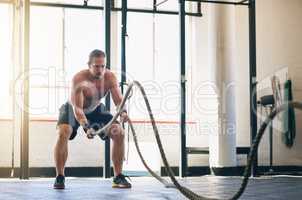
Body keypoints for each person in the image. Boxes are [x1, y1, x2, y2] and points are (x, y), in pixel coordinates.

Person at [53, 49, 131, 189]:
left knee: (118, 132)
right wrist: (86, 126)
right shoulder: (79, 78)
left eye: (103, 66)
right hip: (73, 108)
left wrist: (123, 112)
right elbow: (78, 109)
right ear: (89, 65)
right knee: (63, 132)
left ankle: (118, 177)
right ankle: (60, 176)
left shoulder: (110, 77)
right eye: (96, 66)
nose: (100, 70)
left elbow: (119, 100)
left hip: (95, 109)